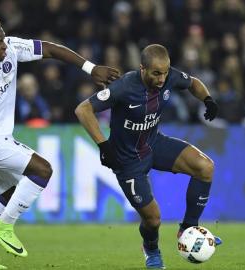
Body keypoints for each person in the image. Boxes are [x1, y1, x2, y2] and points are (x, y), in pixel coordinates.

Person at [0, 15, 120, 269]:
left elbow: (51, 49)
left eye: (3, 40)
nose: (4, 47)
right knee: (43, 170)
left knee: (9, 193)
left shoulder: (10, 47)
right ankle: (5, 226)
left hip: (0, 137)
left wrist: (91, 68)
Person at [75, 44, 221, 269]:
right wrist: (104, 146)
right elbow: (83, 110)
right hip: (127, 160)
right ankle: (151, 249)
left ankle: (188, 229)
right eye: (156, 73)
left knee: (205, 167)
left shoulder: (170, 76)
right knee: (153, 219)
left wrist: (208, 100)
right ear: (142, 68)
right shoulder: (124, 86)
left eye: (165, 72)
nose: (162, 78)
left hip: (154, 143)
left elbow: (193, 83)